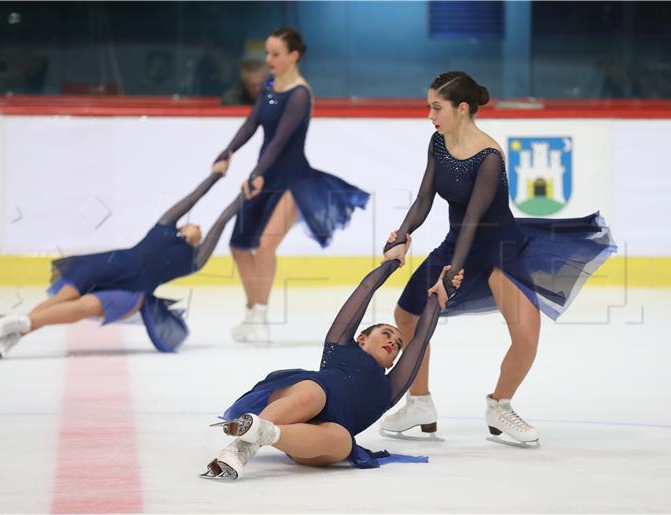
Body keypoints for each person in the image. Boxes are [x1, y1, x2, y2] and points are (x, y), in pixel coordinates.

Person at [380, 71, 617, 446]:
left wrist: (451, 274)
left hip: (498, 248)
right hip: (456, 243)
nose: (430, 114)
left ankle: (500, 405)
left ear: (461, 109)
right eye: (429, 106)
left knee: (525, 335)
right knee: (406, 316)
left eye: (436, 107)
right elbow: (425, 197)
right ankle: (420, 402)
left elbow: (475, 219)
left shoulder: (489, 156)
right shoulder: (438, 142)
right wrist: (402, 234)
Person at [201, 235, 464, 480]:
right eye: (385, 334)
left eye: (396, 345)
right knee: (315, 394)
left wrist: (438, 299)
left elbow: (419, 341)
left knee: (343, 441)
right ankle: (240, 450)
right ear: (361, 338)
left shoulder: (390, 388)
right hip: (300, 401)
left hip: (308, 441)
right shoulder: (341, 346)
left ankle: (263, 431)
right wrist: (392, 262)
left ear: (394, 362)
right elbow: (365, 289)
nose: (392, 342)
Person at [0, 165, 241, 358]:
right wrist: (216, 175)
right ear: (182, 227)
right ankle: (11, 338)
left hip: (132, 291)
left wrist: (242, 198)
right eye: (193, 223)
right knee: (59, 300)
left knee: (82, 308)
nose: (197, 226)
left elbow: (221, 222)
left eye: (201, 229)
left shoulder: (193, 261)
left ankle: (20, 324)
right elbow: (194, 197)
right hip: (110, 265)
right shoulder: (163, 228)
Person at [213, 28, 370, 343]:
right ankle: (254, 311)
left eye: (275, 54)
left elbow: (281, 140)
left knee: (267, 244)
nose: (268, 59)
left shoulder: (300, 94)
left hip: (294, 180)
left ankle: (260, 316)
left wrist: (256, 172)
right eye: (267, 53)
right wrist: (227, 152)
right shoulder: (269, 87)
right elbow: (251, 124)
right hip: (266, 177)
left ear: (293, 56)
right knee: (239, 244)